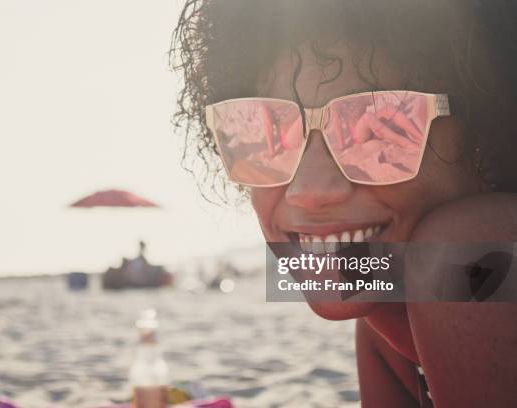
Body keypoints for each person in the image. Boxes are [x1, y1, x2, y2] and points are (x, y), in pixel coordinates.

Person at [170, 1, 517, 407]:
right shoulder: (387, 312)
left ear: (487, 135)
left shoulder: (476, 250)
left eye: (381, 128)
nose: (309, 190)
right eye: (264, 132)